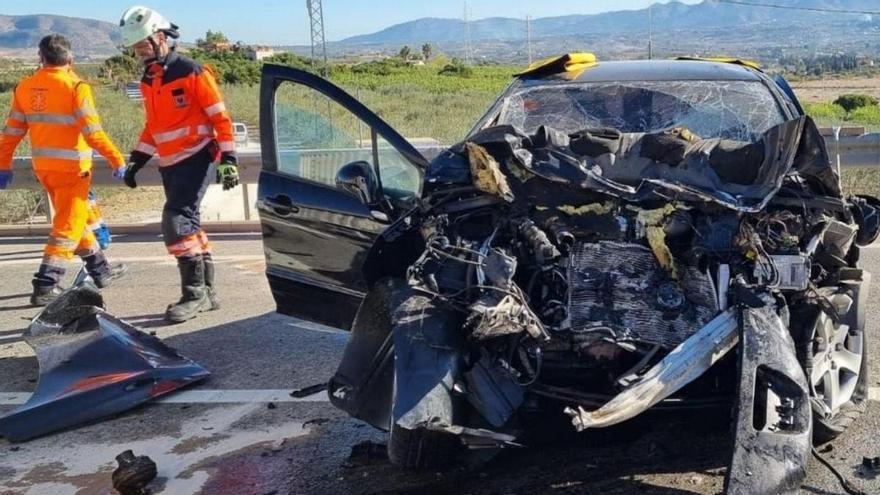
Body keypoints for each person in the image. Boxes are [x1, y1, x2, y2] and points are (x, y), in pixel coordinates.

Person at [119, 6, 240, 323]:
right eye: (136, 50)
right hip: (170, 164)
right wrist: (137, 160)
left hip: (198, 156)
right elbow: (154, 128)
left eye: (143, 47)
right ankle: (208, 291)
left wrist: (229, 159)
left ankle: (194, 294)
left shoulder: (191, 71)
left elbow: (221, 118)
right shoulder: (150, 80)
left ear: (160, 38)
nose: (140, 54)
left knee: (175, 222)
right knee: (190, 224)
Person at [0, 34, 128, 306]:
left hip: (44, 169)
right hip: (73, 170)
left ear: (41, 58)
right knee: (67, 227)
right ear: (70, 58)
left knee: (74, 218)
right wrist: (117, 159)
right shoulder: (76, 87)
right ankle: (46, 283)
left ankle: (100, 269)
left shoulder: (25, 87)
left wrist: (3, 163)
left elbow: (11, 133)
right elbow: (93, 133)